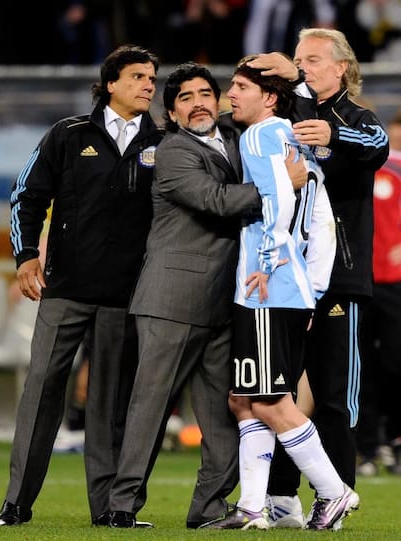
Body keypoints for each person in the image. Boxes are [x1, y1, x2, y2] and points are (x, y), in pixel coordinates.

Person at [104, 61, 307, 530]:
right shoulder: (172, 151)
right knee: (150, 408)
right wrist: (280, 186)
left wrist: (293, 80)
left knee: (223, 414)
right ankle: (121, 506)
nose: (198, 103)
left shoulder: (237, 143)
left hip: (225, 301)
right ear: (172, 114)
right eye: (185, 98)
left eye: (204, 93)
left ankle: (210, 508)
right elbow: (215, 200)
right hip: (172, 300)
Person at [0, 44, 163, 527]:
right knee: (42, 389)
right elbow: (27, 195)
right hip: (64, 289)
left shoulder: (163, 142)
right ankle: (17, 503)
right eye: (137, 76)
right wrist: (26, 256)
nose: (148, 85)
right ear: (110, 83)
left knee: (110, 403)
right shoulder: (68, 135)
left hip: (126, 295)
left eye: (151, 78)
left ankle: (109, 509)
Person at [200, 56, 361, 531]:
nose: (231, 94)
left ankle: (334, 493)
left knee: (270, 401)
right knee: (244, 399)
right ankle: (253, 507)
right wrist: (309, 287)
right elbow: (319, 218)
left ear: (269, 98)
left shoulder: (260, 134)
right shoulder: (292, 136)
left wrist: (272, 267)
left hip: (267, 286)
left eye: (242, 86)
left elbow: (279, 200)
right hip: (281, 287)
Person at [252, 28, 389, 527]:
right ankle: (281, 497)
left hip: (339, 280)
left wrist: (336, 135)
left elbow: (377, 144)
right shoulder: (286, 112)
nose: (301, 66)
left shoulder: (354, 118)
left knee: (334, 395)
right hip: (285, 278)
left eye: (312, 59)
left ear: (341, 68)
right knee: (280, 389)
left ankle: (334, 495)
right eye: (297, 58)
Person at [356, 111, 401, 475]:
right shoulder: (359, 167)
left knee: (394, 364)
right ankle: (369, 447)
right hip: (361, 281)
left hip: (395, 282)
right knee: (361, 368)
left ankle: (393, 441)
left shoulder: (395, 170)